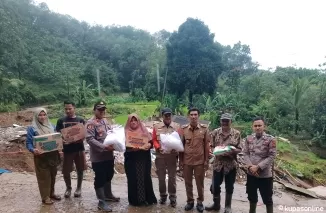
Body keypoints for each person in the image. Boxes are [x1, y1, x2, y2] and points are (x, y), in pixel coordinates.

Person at [86, 101, 120, 212]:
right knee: (100, 178)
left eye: (103, 109)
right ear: (94, 110)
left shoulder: (105, 121)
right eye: (99, 109)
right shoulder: (90, 123)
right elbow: (90, 139)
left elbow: (110, 134)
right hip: (98, 156)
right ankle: (101, 201)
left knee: (109, 174)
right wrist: (104, 147)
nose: (102, 111)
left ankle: (108, 195)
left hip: (108, 156)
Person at [205, 113, 242, 213]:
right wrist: (217, 150)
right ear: (220, 121)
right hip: (218, 164)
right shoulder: (215, 132)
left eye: (227, 121)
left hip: (231, 164)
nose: (225, 123)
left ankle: (227, 206)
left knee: (229, 186)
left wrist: (232, 151)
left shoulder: (236, 133)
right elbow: (211, 146)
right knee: (215, 186)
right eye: (223, 121)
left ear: (231, 122)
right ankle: (216, 204)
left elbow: (240, 149)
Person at [26, 108, 61, 205]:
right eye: (40, 115)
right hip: (41, 157)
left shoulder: (52, 126)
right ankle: (45, 197)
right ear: (36, 116)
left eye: (44, 115)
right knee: (44, 178)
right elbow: (28, 143)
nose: (42, 117)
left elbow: (57, 138)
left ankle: (51, 193)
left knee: (53, 176)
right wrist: (33, 150)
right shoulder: (32, 128)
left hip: (53, 155)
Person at [243, 117, 276, 213]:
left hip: (264, 175)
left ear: (264, 127)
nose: (257, 128)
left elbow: (271, 156)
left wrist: (258, 167)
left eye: (259, 125)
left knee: (267, 199)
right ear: (252, 127)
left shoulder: (271, 139)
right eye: (255, 126)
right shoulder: (248, 139)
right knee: (252, 197)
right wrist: (250, 166)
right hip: (251, 174)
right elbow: (245, 153)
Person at [179, 107, 210, 212]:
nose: (193, 117)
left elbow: (206, 146)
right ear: (188, 116)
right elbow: (181, 146)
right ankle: (190, 201)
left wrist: (206, 161)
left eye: (195, 115)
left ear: (198, 116)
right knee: (188, 183)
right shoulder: (183, 129)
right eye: (191, 115)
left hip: (199, 161)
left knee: (199, 183)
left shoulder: (204, 129)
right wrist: (181, 161)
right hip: (187, 161)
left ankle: (200, 202)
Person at [124, 113, 157, 206]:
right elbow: (122, 146)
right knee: (133, 179)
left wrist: (149, 145)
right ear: (128, 122)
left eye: (135, 120)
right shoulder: (126, 132)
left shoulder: (144, 130)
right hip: (131, 160)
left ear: (138, 121)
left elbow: (151, 142)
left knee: (144, 178)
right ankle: (137, 201)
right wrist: (131, 148)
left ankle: (148, 199)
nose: (133, 122)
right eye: (131, 121)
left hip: (143, 159)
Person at [56, 101, 86, 198]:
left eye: (70, 108)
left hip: (79, 149)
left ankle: (79, 188)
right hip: (67, 150)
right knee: (66, 170)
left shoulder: (80, 120)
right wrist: (61, 143)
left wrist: (81, 138)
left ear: (74, 108)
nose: (68, 111)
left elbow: (84, 134)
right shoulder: (61, 121)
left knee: (80, 169)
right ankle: (68, 188)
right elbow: (57, 135)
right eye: (66, 109)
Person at [152, 108, 181, 207]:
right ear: (162, 116)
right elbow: (154, 140)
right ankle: (163, 196)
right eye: (166, 115)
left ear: (171, 116)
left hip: (172, 156)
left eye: (169, 115)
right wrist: (158, 147)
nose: (168, 117)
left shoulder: (177, 127)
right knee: (161, 178)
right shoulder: (156, 127)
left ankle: (173, 197)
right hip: (160, 156)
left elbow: (180, 140)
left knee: (172, 178)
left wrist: (176, 148)